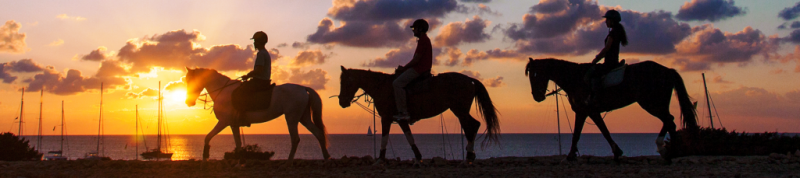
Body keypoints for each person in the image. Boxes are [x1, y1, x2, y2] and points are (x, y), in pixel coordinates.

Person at [393, 19, 433, 121]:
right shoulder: (424, 40)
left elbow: (416, 60)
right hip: (420, 68)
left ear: (420, 29)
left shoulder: (423, 41)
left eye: (414, 29)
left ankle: (403, 112)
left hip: (419, 69)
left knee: (397, 84)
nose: (413, 31)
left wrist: (404, 68)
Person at [587, 10, 628, 105]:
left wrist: (596, 59)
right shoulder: (617, 32)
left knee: (593, 73)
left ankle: (596, 97)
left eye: (607, 20)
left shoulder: (613, 34)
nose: (606, 22)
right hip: (613, 61)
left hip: (610, 63)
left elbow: (606, 49)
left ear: (612, 21)